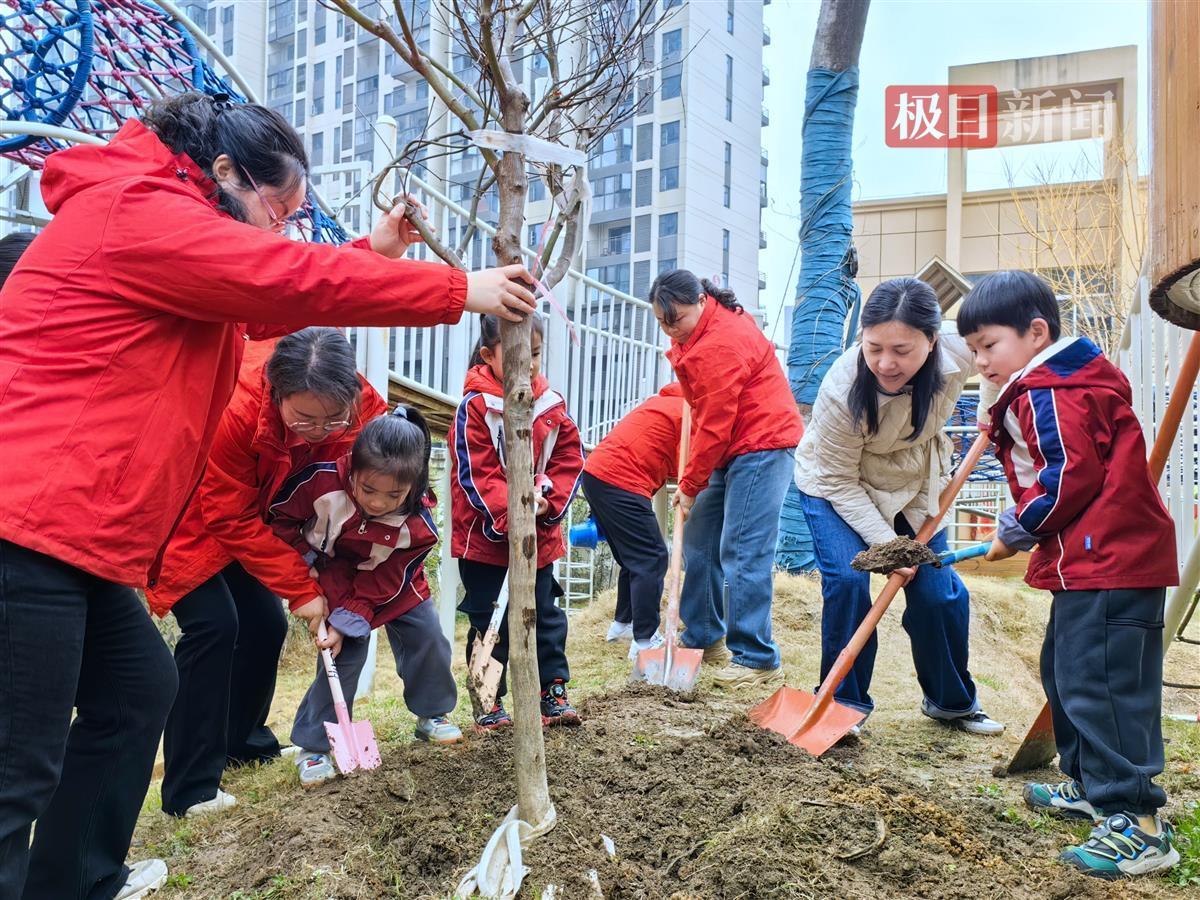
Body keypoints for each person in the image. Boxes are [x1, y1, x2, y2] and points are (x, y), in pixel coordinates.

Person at [0, 92, 535, 900]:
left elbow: (270, 295)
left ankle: (75, 880)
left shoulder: (168, 226)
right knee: (19, 759)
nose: (283, 229)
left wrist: (375, 255)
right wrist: (456, 289)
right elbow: (280, 278)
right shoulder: (136, 208)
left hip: (84, 529)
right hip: (28, 515)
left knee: (140, 689)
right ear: (222, 173)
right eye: (277, 208)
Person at [959, 270, 1179, 880]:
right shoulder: (1046, 387)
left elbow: (1066, 478)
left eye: (989, 345)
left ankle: (1137, 822)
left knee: (1103, 691)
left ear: (1036, 332)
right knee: (1068, 672)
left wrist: (1014, 528)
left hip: (1110, 560)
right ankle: (1092, 788)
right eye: (973, 350)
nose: (981, 361)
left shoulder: (1051, 392)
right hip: (1090, 563)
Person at [147, 328, 387, 818]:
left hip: (253, 517)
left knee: (264, 624)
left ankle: (243, 744)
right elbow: (223, 513)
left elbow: (381, 463)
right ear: (275, 393)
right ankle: (189, 788)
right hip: (183, 512)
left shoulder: (357, 402)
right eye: (303, 419)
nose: (319, 430)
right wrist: (301, 589)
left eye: (331, 419)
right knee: (214, 626)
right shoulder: (235, 408)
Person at [794, 277, 1003, 736]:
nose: (886, 363)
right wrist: (890, 547)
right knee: (848, 582)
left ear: (931, 341)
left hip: (914, 483)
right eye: (874, 348)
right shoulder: (841, 390)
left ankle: (951, 702)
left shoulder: (959, 353)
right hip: (837, 487)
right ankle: (841, 705)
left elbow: (997, 369)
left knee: (937, 594)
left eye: (902, 350)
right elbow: (838, 481)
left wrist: (991, 411)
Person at [270, 405, 461, 787]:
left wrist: (353, 615)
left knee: (428, 637)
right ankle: (315, 746)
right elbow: (280, 520)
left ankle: (432, 714)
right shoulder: (320, 485)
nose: (376, 502)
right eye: (367, 489)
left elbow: (391, 574)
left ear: (413, 487)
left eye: (393, 495)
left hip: (395, 583)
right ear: (352, 468)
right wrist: (304, 565)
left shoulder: (417, 523)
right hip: (335, 576)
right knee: (341, 653)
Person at [649, 270, 803, 688]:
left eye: (675, 319)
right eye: (662, 322)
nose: (669, 330)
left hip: (762, 444)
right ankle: (704, 637)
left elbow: (717, 422)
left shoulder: (722, 341)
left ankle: (756, 657)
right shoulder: (695, 333)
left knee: (741, 549)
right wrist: (694, 483)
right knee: (699, 542)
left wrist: (689, 484)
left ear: (700, 301)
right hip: (729, 445)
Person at [449, 314, 584, 729]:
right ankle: (488, 701)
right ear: (488, 356)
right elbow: (476, 474)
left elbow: (568, 460)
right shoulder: (476, 408)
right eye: (516, 357)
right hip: (486, 541)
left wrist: (546, 504)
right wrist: (513, 512)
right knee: (490, 620)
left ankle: (553, 692)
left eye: (536, 355)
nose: (527, 367)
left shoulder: (550, 405)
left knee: (545, 615)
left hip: (538, 540)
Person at [581, 383, 686, 657]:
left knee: (634, 558)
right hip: (620, 480)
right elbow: (689, 465)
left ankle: (623, 624)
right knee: (652, 557)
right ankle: (645, 641)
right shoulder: (686, 414)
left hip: (597, 474)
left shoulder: (662, 404)